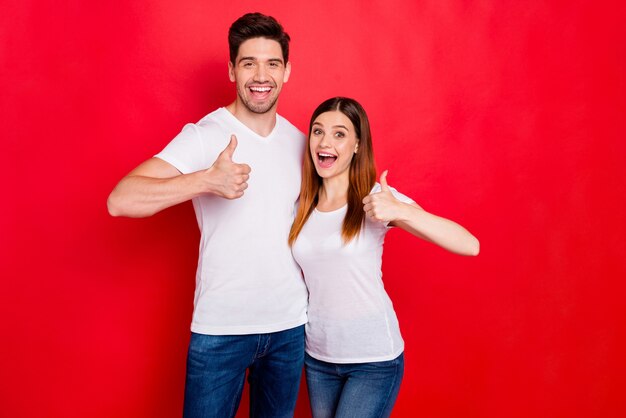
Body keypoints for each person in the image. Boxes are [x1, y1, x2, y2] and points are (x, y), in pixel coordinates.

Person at [107, 13, 308, 418]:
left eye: (272, 63)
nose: (260, 75)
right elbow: (120, 200)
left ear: (287, 71)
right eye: (248, 62)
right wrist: (205, 181)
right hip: (221, 331)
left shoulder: (301, 140)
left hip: (289, 328)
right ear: (232, 69)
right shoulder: (206, 134)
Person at [289, 97, 480, 418]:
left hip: (372, 359)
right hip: (318, 357)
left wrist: (401, 211)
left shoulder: (375, 198)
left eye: (339, 134)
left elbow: (468, 244)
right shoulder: (300, 206)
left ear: (356, 145)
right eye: (318, 131)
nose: (325, 142)